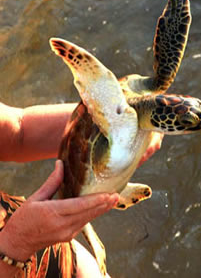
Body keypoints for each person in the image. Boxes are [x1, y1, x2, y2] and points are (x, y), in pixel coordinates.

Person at [0, 102, 162, 277]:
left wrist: (113, 117)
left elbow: (20, 131)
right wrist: (18, 242)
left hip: (41, 244)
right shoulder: (21, 239)